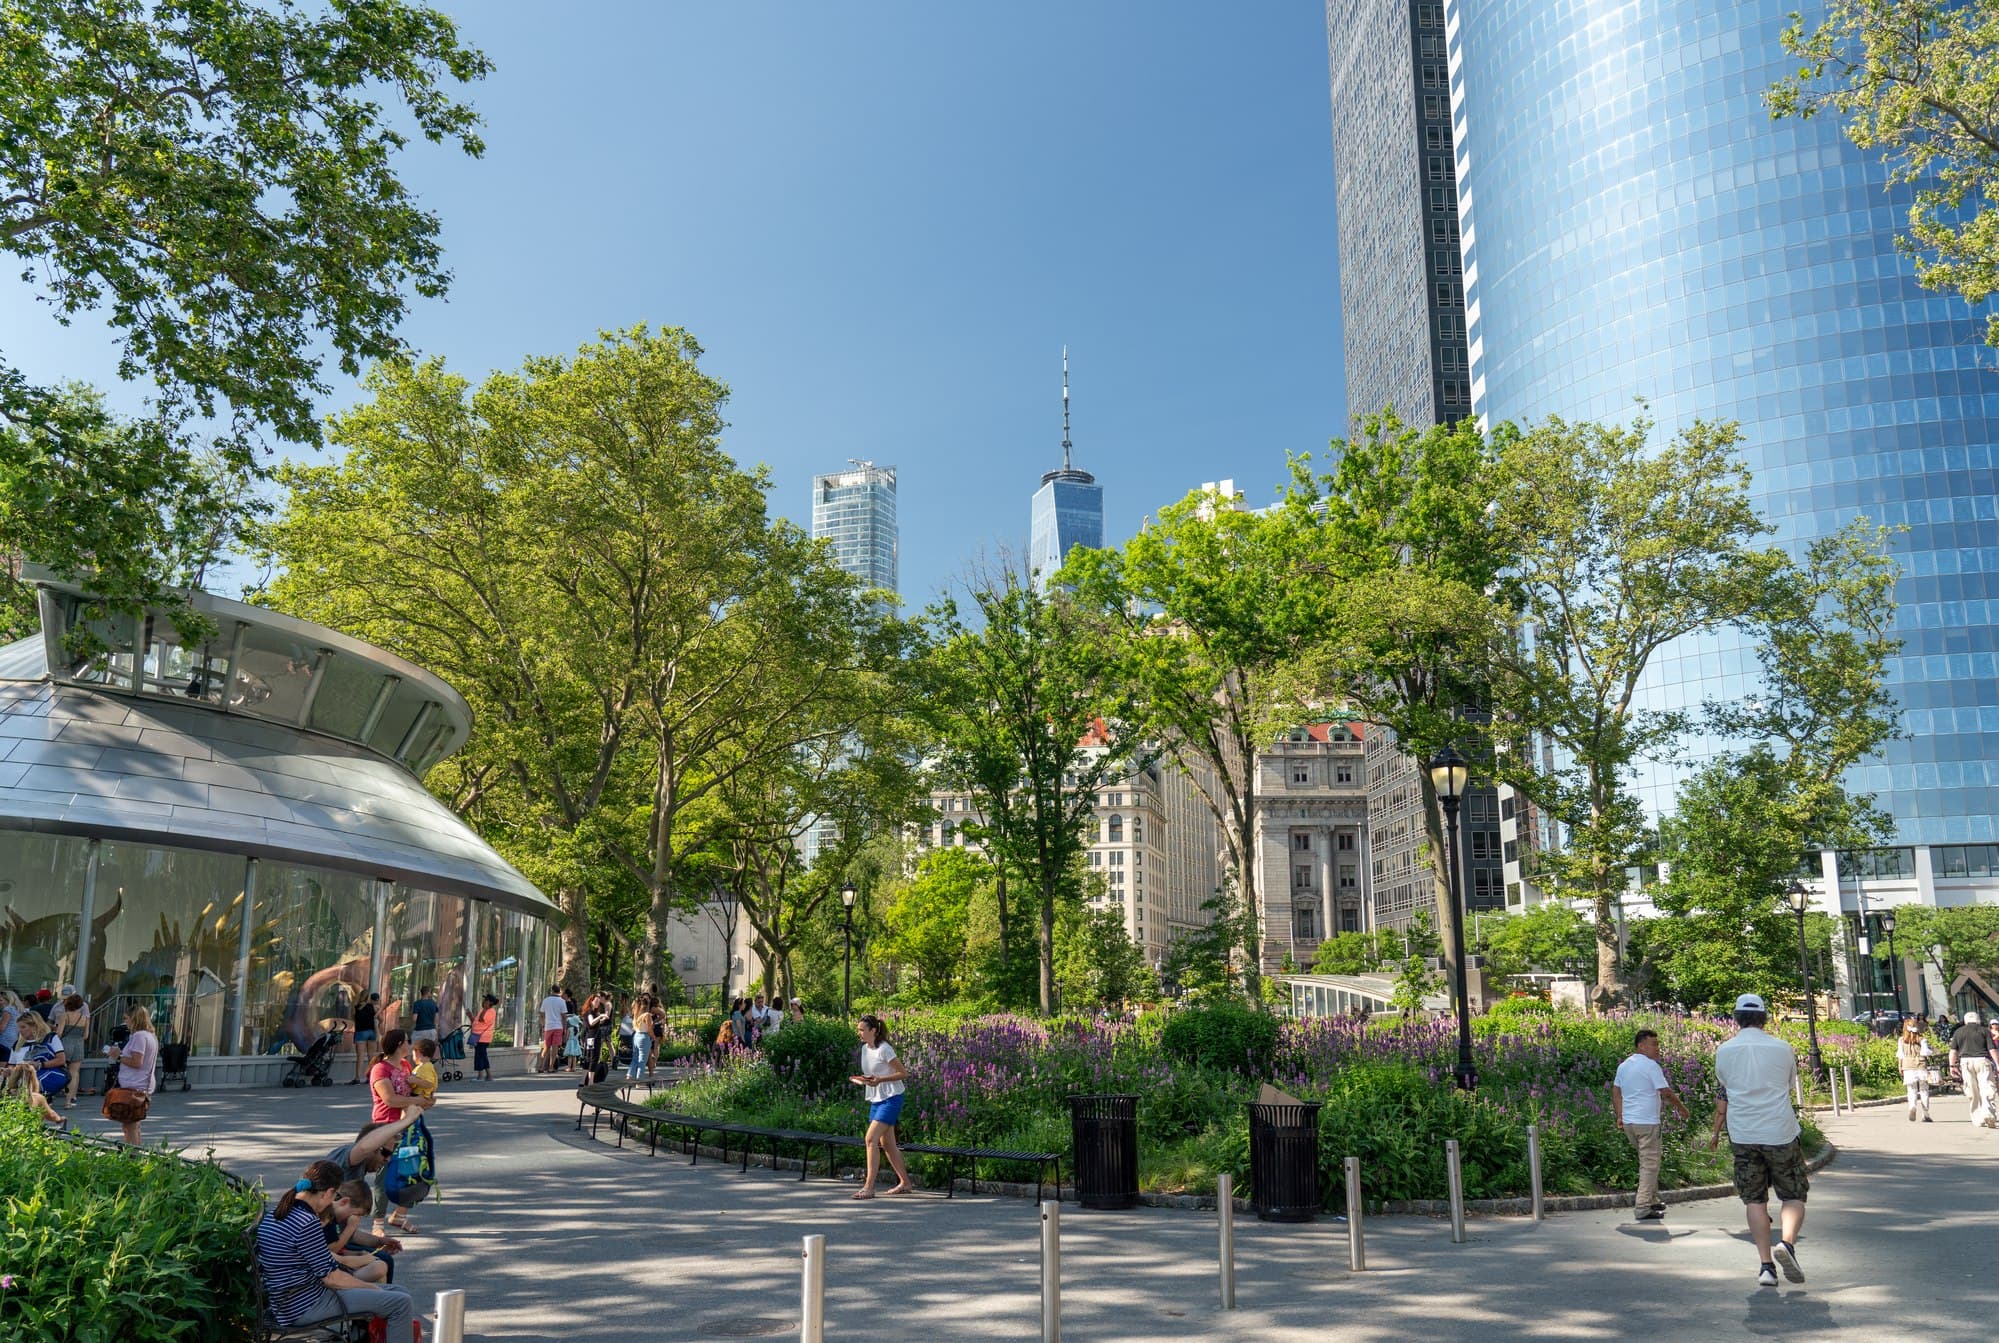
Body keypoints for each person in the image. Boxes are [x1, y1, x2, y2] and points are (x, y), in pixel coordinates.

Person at [1710, 993, 1807, 1288]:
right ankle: (1787, 1244)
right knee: (1793, 1194)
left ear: (1736, 1018)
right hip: (1779, 1130)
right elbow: (1789, 1085)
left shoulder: (1724, 1051)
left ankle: (1766, 1267)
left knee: (1754, 1200)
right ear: (1764, 1017)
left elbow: (1724, 1086)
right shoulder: (1782, 1048)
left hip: (1743, 1132)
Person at [254, 1161, 416, 1336]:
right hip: (305, 1306)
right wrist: (372, 1288)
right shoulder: (307, 1222)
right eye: (335, 1195)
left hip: (292, 1301)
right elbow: (332, 1278)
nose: (333, 1201)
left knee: (400, 1293)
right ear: (329, 1192)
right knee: (400, 1303)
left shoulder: (276, 1214)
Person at [1613, 1027, 1691, 1221]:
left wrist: (1620, 1114)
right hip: (1647, 1123)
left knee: (1649, 1161)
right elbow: (1666, 1091)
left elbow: (1616, 1091)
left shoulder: (1624, 1066)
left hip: (1630, 1123)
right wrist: (1682, 1108)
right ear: (1641, 1046)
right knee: (1649, 1165)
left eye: (1658, 1044)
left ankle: (1653, 1199)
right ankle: (1642, 1207)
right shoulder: (1650, 1066)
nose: (1658, 1048)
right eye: (1653, 1044)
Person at [849, 1013, 913, 1199]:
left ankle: (869, 1187)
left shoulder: (885, 1049)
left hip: (892, 1098)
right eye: (858, 1029)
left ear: (874, 1031)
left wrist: (881, 1080)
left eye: (862, 1030)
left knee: (871, 1138)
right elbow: (872, 1073)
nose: (859, 1033)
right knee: (887, 1144)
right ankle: (905, 1183)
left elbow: (903, 1073)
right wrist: (865, 1080)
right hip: (876, 1098)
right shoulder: (864, 1049)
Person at [102, 1004, 158, 1144]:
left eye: (126, 1018)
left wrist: (118, 1056)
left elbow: (137, 1062)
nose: (125, 1022)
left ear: (134, 1019)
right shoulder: (150, 1035)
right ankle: (135, 1154)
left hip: (134, 1085)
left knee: (129, 1125)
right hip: (141, 1083)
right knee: (134, 1124)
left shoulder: (139, 1036)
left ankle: (132, 1156)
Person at [1949, 1009, 1996, 1128]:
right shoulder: (1984, 1031)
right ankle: (1988, 1113)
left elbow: (1953, 1051)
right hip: (1983, 1060)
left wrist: (1952, 1066)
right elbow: (1992, 1049)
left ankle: (1977, 1118)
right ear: (1978, 1020)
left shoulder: (1958, 1032)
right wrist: (1998, 1064)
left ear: (1965, 1021)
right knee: (1986, 1086)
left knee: (1972, 1090)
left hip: (1965, 1062)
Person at [53, 989, 88, 1108]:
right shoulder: (85, 1018)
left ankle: (51, 1096)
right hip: (79, 1044)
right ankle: (69, 1101)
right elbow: (86, 1035)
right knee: (74, 1072)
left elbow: (59, 1033)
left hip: (65, 1044)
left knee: (59, 1070)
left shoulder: (65, 1016)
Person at [349, 991, 380, 1084]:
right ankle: (371, 1077)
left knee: (360, 1057)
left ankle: (357, 1078)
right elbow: (380, 1019)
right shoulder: (372, 1007)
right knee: (371, 1056)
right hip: (371, 1032)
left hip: (361, 1032)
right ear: (368, 998)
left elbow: (353, 1019)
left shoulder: (355, 1007)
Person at [537, 984, 568, 1073]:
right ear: (559, 991)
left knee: (546, 1047)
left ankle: (541, 1066)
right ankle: (550, 1067)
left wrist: (543, 1025)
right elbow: (564, 1017)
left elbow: (542, 1015)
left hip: (548, 1026)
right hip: (558, 1026)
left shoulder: (546, 1000)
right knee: (555, 1048)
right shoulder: (562, 1001)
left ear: (552, 990)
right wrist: (564, 1028)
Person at [471, 994, 498, 1082]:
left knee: (480, 1056)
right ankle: (488, 1075)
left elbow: (482, 1020)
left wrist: (485, 1009)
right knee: (482, 1055)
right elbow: (475, 1021)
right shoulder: (483, 1010)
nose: (483, 1002)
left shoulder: (490, 1011)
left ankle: (481, 1076)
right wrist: (469, 1015)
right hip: (478, 1036)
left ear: (489, 1002)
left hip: (483, 1037)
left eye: (485, 1000)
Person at [409, 1037, 440, 1103]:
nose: (413, 1058)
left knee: (412, 1112)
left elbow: (429, 1083)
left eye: (413, 1055)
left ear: (418, 1053)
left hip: (420, 1095)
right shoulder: (422, 1066)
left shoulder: (426, 1067)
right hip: (418, 1095)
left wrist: (415, 1080)